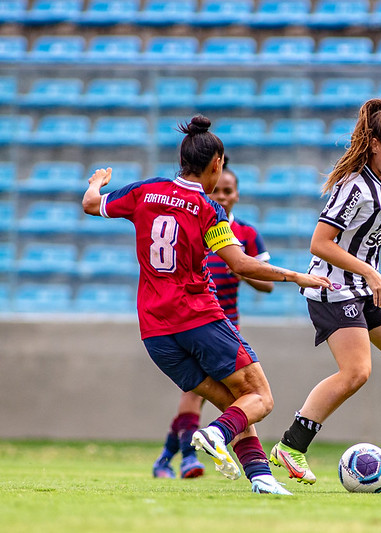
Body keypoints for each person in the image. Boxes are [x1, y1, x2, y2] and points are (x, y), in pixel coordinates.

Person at [82, 115, 331, 494]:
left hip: (155, 333)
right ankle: (213, 435)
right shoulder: (207, 208)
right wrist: (298, 276)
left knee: (236, 404)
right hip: (197, 318)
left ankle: (261, 478)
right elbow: (241, 264)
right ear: (216, 164)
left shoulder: (143, 192)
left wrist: (97, 182)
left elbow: (89, 204)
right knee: (261, 398)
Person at [267, 98, 381, 494]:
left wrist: (368, 274)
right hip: (333, 288)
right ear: (376, 144)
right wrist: (368, 270)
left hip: (364, 287)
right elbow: (319, 243)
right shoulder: (355, 185)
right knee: (356, 372)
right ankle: (290, 447)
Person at [152, 156, 275, 480]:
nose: (221, 195)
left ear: (237, 194)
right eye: (217, 189)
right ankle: (189, 458)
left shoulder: (245, 234)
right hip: (190, 321)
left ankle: (167, 456)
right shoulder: (195, 221)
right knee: (196, 394)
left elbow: (266, 285)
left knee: (222, 397)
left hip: (224, 324)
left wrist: (242, 265)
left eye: (228, 190)